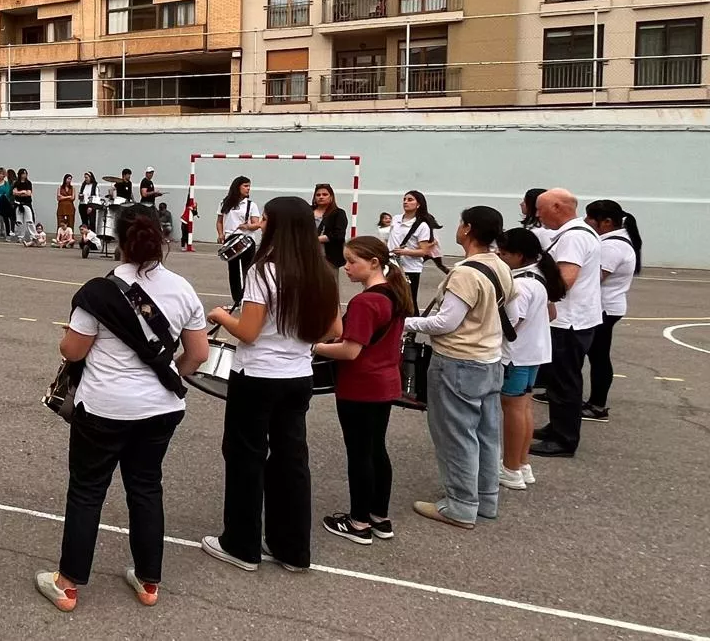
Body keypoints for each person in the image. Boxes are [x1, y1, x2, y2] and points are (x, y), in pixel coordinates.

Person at [36, 204, 209, 612]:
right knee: (146, 487)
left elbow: (73, 350)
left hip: (105, 406)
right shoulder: (183, 289)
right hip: (161, 409)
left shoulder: (97, 293)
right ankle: (149, 581)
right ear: (163, 239)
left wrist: (69, 338)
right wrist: (168, 377)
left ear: (116, 240)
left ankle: (69, 583)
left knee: (87, 491)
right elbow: (197, 354)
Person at [203, 197, 339, 573]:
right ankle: (293, 549)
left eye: (265, 218)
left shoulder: (264, 271)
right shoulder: (323, 271)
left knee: (246, 456)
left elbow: (248, 332)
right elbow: (335, 330)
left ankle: (241, 544)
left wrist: (219, 316)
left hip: (259, 376)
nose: (260, 222)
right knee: (291, 460)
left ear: (278, 225)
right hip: (298, 376)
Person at [403, 206, 515, 529]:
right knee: (486, 431)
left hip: (458, 361)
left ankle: (461, 504)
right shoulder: (501, 267)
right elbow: (513, 308)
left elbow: (446, 321)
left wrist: (405, 322)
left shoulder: (466, 273)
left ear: (467, 229)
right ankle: (485, 497)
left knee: (455, 433)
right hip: (489, 359)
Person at [311, 236, 410, 545]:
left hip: (360, 385)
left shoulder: (365, 301)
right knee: (376, 449)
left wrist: (315, 346)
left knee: (360, 454)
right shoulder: (394, 294)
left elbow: (351, 350)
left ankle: (358, 522)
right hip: (385, 382)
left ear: (374, 263)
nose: (347, 266)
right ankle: (380, 516)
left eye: (352, 261)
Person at [530, 188, 601, 458]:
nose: (537, 215)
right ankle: (558, 427)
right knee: (561, 380)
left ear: (558, 207)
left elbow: (566, 280)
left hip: (568, 321)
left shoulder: (572, 238)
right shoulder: (577, 233)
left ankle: (564, 439)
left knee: (564, 381)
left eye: (540, 208)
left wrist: (532, 292)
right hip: (576, 319)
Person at [495, 228, 559, 491]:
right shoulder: (539, 278)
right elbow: (551, 314)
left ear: (519, 255)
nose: (499, 257)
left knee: (513, 410)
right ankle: (521, 463)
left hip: (515, 356)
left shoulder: (519, 284)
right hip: (534, 353)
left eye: (504, 253)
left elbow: (513, 323)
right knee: (524, 407)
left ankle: (510, 468)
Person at [583, 199, 640, 423]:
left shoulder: (612, 247)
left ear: (607, 222)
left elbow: (594, 278)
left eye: (590, 219)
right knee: (597, 355)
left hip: (605, 308)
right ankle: (595, 403)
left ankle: (597, 405)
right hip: (606, 306)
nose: (586, 222)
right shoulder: (611, 241)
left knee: (598, 357)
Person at [215, 176, 264, 307]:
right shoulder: (224, 203)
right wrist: (220, 234)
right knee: (234, 271)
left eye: (249, 186)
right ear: (238, 187)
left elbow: (257, 224)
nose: (248, 188)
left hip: (247, 240)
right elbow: (219, 221)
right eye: (245, 186)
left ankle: (249, 298)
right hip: (231, 239)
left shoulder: (251, 205)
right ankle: (237, 299)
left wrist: (247, 226)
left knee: (248, 270)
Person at [387, 191, 441, 304]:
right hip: (391, 266)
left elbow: (424, 251)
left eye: (410, 200)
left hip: (410, 268)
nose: (405, 202)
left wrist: (404, 252)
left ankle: (412, 321)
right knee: (391, 298)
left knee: (409, 301)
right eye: (404, 199)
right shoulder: (396, 219)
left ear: (418, 204)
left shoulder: (422, 226)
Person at [312, 184, 349, 268]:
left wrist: (315, 239)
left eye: (325, 194)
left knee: (329, 280)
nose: (321, 197)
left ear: (331, 197)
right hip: (307, 254)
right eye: (318, 195)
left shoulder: (338, 213)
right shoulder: (307, 211)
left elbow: (339, 235)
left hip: (329, 257)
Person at [12, 168, 36, 242]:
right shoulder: (16, 183)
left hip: (27, 203)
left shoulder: (28, 183)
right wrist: (22, 192)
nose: (24, 175)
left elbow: (28, 193)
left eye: (25, 174)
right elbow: (14, 192)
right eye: (23, 174)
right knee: (19, 221)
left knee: (29, 220)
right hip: (18, 204)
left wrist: (21, 193)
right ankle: (21, 236)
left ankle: (33, 236)